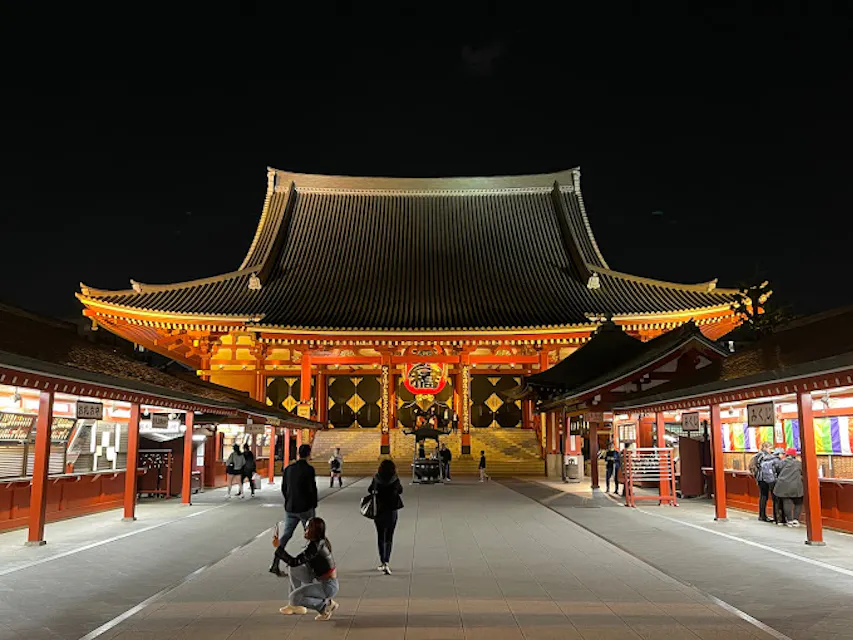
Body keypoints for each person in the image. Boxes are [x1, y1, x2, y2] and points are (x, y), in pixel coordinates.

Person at [274, 517, 339, 621]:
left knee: (294, 598)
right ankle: (296, 605)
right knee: (293, 568)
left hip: (327, 586)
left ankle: (324, 606)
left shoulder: (315, 547)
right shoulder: (318, 542)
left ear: (314, 531)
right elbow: (295, 563)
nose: (305, 530)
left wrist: (279, 548)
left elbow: (295, 561)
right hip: (317, 578)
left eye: (308, 528)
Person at [270, 444, 318, 576]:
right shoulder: (309, 470)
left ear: (298, 454)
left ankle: (275, 562)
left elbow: (284, 488)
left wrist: (288, 500)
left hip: (291, 507)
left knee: (286, 535)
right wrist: (313, 504)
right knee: (313, 536)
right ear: (308, 454)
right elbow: (312, 489)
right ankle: (313, 565)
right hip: (305, 508)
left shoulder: (288, 469)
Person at [369, 459, 403, 574]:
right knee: (389, 536)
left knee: (380, 536)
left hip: (379, 510)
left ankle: (382, 561)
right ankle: (387, 561)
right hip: (392, 510)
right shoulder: (395, 478)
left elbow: (370, 490)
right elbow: (400, 490)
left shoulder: (377, 478)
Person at [773, 447, 804, 527]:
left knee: (787, 502)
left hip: (783, 485)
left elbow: (776, 471)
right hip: (796, 485)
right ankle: (796, 520)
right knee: (798, 502)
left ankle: (789, 520)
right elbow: (803, 472)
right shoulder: (798, 463)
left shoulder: (781, 462)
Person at [752, 442, 774, 521]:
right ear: (765, 447)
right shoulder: (767, 456)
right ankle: (764, 516)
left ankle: (762, 515)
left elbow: (752, 467)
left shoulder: (757, 456)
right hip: (767, 478)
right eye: (770, 448)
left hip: (760, 478)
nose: (771, 450)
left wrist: (756, 476)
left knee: (763, 496)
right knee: (766, 496)